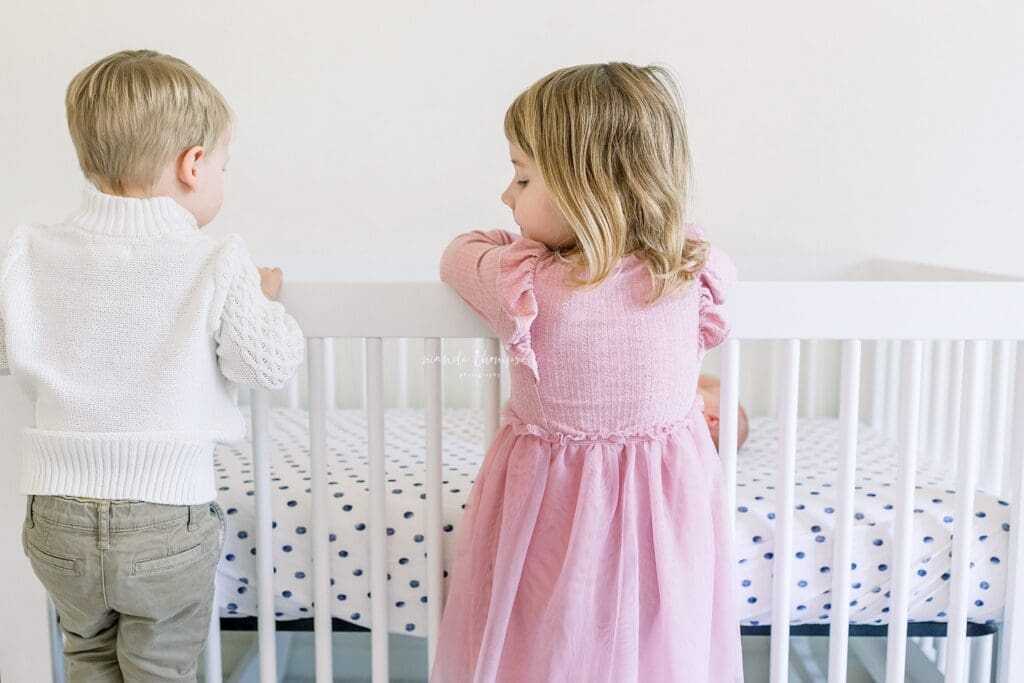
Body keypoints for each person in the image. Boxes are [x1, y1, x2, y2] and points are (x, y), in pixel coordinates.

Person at [432, 62, 744, 682]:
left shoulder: (526, 283)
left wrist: (520, 244)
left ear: (586, 186)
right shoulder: (692, 272)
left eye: (522, 177)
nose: (506, 196)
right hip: (667, 518)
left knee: (546, 640)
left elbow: (457, 254)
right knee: (659, 646)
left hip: (553, 512)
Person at [0, 49, 304, 682]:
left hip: (55, 518)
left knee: (87, 658)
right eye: (221, 167)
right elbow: (268, 366)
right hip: (163, 518)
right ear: (193, 164)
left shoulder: (30, 252)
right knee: (159, 669)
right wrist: (264, 301)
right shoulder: (216, 259)